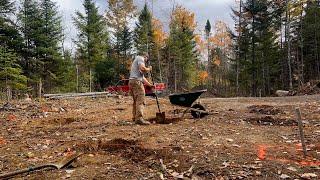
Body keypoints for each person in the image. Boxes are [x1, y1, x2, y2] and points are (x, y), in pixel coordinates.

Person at [129, 53, 153, 125]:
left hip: (132, 81)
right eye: (146, 60)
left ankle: (135, 117)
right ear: (145, 57)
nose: (145, 62)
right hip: (136, 82)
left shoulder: (136, 61)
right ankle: (139, 119)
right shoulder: (140, 58)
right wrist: (149, 69)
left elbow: (142, 78)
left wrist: (150, 85)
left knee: (136, 100)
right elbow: (143, 68)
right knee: (141, 99)